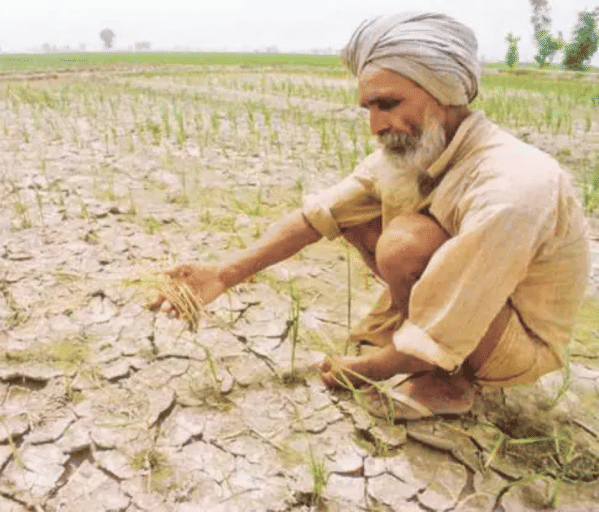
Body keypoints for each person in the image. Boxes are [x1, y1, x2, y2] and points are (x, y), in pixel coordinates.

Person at [148, 12, 590, 420]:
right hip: (470, 298)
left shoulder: (513, 185)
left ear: (444, 93)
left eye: (390, 103)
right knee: (359, 218)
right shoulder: (415, 151)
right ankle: (414, 339)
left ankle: (448, 376)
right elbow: (316, 218)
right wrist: (224, 274)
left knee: (404, 243)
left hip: (514, 339)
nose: (376, 125)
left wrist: (371, 368)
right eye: (371, 109)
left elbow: (470, 294)